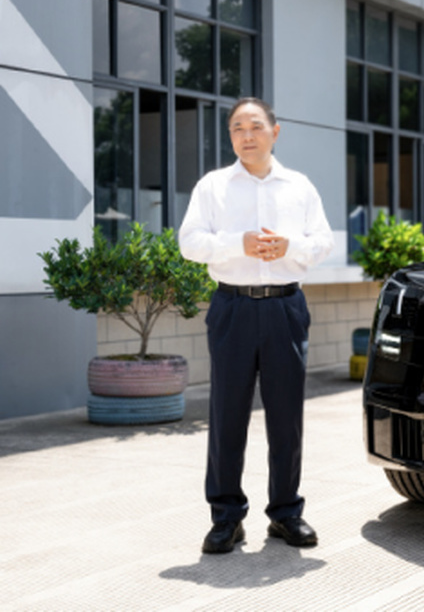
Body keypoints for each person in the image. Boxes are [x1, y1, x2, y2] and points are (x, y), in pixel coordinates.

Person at [179, 97, 334, 554]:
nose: (246, 136)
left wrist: (289, 247)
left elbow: (324, 242)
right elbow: (190, 243)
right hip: (233, 307)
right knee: (227, 415)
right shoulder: (213, 186)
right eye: (237, 128)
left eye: (255, 126)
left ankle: (286, 514)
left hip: (286, 308)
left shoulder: (299, 187)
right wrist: (238, 244)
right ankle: (226, 518)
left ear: (275, 131)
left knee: (286, 417)